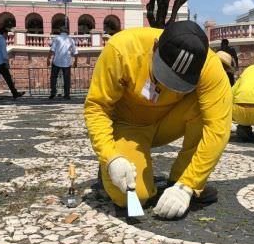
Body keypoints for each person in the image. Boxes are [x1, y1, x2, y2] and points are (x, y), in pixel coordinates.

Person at [84, 21, 232, 220]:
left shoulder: (210, 65)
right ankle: (111, 168)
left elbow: (218, 127)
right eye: (162, 75)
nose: (166, 86)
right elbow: (97, 107)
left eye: (179, 83)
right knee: (130, 197)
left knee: (206, 110)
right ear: (155, 47)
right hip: (128, 126)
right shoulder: (121, 50)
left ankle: (177, 181)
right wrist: (110, 157)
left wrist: (187, 185)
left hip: (169, 123)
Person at [0, 27, 25, 99]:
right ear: (4, 33)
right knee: (8, 79)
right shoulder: (2, 40)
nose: (7, 36)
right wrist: (7, 62)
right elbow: (4, 52)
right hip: (1, 63)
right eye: (7, 34)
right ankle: (14, 93)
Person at [47, 26, 78, 99]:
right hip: (67, 62)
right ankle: (67, 94)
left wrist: (48, 59)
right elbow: (75, 52)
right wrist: (75, 61)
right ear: (67, 32)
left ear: (60, 31)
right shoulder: (70, 40)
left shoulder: (57, 38)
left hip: (56, 61)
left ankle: (53, 93)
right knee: (67, 79)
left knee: (53, 78)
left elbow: (52, 50)